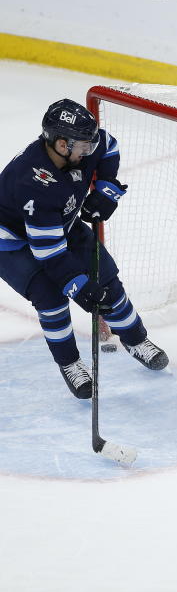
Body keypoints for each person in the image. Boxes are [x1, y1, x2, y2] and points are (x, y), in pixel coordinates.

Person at [0, 98, 168, 399]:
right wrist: (80, 288)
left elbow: (109, 146)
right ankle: (70, 364)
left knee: (107, 282)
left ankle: (135, 340)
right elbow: (49, 255)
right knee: (50, 297)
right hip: (11, 242)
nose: (89, 150)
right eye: (83, 147)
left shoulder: (80, 145)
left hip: (57, 223)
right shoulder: (35, 182)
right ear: (62, 145)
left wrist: (107, 189)